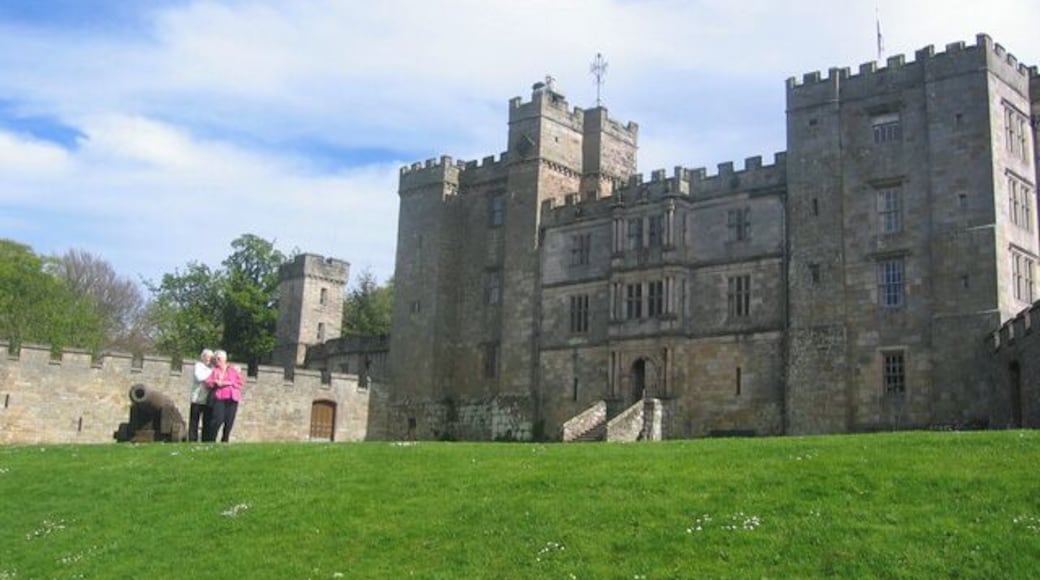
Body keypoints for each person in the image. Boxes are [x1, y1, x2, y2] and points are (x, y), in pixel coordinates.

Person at [203, 349, 244, 443]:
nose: (217, 361)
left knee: (229, 421)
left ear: (224, 359)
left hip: (232, 398)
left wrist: (226, 383)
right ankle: (211, 440)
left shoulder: (233, 369)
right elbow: (208, 382)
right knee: (217, 420)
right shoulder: (215, 371)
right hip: (220, 398)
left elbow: (239, 383)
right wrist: (215, 382)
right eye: (216, 359)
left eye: (219, 359)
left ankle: (225, 440)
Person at [187, 348, 214, 442]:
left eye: (210, 357)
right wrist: (210, 378)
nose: (208, 359)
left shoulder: (212, 368)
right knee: (194, 421)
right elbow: (199, 377)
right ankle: (192, 440)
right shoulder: (198, 366)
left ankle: (205, 440)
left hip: (207, 399)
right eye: (206, 357)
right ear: (202, 357)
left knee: (206, 422)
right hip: (197, 399)